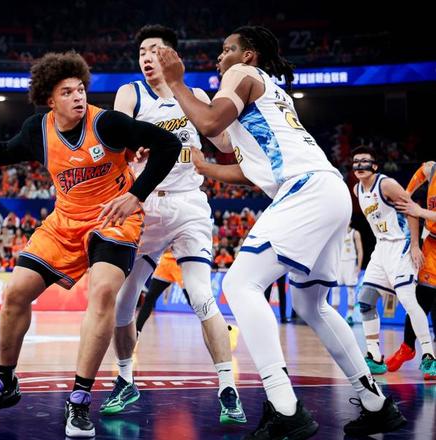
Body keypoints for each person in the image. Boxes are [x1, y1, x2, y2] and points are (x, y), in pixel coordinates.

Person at [158, 25, 406, 438]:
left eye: (227, 49)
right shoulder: (269, 93)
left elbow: (211, 120)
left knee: (239, 285)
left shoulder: (241, 74)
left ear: (248, 55)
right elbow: (242, 160)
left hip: (306, 190)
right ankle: (376, 403)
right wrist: (204, 166)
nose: (220, 57)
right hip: (328, 190)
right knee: (313, 304)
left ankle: (285, 407)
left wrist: (177, 83)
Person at [0, 51, 181, 438]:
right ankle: (3, 383)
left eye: (80, 90)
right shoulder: (37, 130)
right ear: (50, 100)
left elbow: (168, 144)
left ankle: (79, 399)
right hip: (65, 222)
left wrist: (136, 195)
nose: (78, 97)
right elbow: (6, 151)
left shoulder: (107, 123)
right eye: (67, 92)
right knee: (15, 293)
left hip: (113, 218)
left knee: (103, 292)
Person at [103, 25, 245, 424]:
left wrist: (239, 124)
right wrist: (128, 151)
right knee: (123, 301)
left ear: (172, 57)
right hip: (144, 204)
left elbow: (224, 144)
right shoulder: (131, 93)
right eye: (142, 52)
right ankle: (125, 379)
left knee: (201, 296)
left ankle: (228, 388)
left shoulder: (196, 95)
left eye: (155, 50)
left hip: (188, 205)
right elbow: (114, 145)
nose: (146, 57)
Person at [351, 146, 435, 377]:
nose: (359, 165)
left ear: (375, 166)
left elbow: (411, 210)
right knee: (365, 300)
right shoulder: (357, 190)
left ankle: (429, 356)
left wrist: (415, 245)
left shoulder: (386, 185)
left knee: (409, 301)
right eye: (356, 161)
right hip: (381, 248)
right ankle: (374, 356)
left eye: (364, 161)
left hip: (401, 244)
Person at [389, 161, 436, 380]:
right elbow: (424, 169)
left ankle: (429, 358)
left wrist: (420, 211)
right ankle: (408, 347)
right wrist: (407, 194)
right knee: (420, 300)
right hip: (431, 244)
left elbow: (420, 211)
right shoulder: (433, 169)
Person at [334, 223, 363, 325]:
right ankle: (335, 315)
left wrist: (359, 266)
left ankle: (350, 315)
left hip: (350, 262)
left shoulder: (355, 233)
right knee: (335, 289)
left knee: (350, 290)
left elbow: (360, 250)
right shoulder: (337, 232)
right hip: (339, 263)